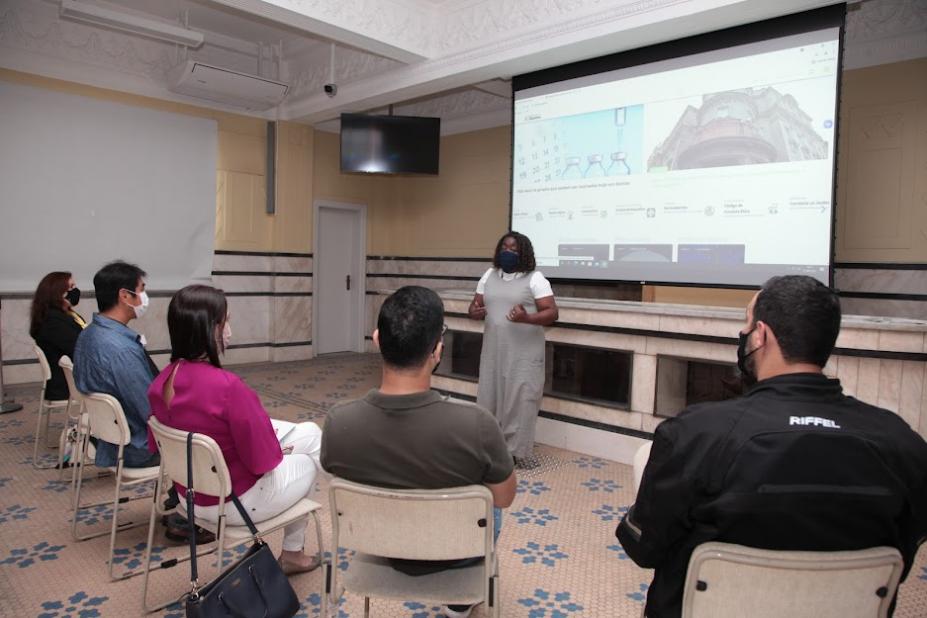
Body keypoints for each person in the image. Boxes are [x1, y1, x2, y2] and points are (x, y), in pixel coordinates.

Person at [615, 275, 927, 618]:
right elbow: (905, 552)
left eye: (747, 325)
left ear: (761, 335)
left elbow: (643, 547)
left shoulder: (693, 434)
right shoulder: (903, 444)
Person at [322, 286, 516, 618]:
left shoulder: (339, 423)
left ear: (377, 339)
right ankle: (459, 603)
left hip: (378, 548)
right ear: (437, 351)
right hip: (457, 553)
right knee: (488, 500)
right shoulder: (478, 425)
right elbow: (505, 497)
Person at [148, 284, 323, 574]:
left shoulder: (160, 382)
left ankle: (296, 551)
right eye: (226, 321)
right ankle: (295, 551)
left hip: (189, 498)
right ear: (210, 328)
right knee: (307, 459)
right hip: (236, 503)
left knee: (307, 432)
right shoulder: (228, 387)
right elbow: (264, 462)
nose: (229, 328)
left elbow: (160, 447)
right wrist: (280, 448)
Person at [469, 231, 558, 468]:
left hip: (524, 353)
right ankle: (491, 447)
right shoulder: (489, 275)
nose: (508, 252)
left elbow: (552, 312)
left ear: (524, 253)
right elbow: (474, 305)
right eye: (504, 248)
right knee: (491, 396)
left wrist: (527, 318)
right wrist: (474, 312)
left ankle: (517, 452)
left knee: (520, 399)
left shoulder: (535, 279)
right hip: (494, 351)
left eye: (514, 249)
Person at [73, 260, 158, 468]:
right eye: (141, 291)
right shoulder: (122, 350)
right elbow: (149, 410)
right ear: (125, 295)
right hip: (137, 448)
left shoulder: (88, 334)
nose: (144, 298)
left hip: (109, 440)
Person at [30, 271, 87, 401]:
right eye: (71, 287)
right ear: (58, 292)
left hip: (75, 377)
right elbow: (77, 349)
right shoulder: (52, 320)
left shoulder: (66, 314)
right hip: (66, 385)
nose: (75, 291)